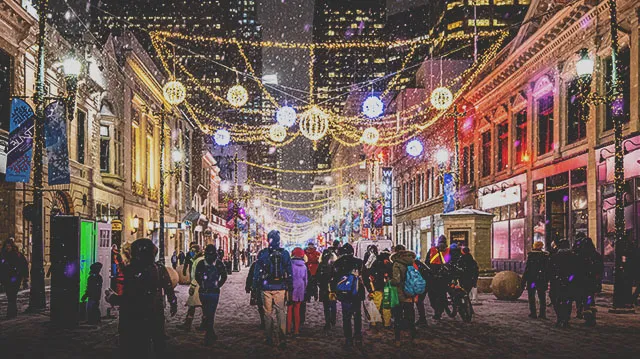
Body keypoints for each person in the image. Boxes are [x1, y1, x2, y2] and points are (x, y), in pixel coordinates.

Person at [105, 238, 177, 358]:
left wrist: (112, 298)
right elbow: (169, 288)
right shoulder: (159, 268)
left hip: (135, 317)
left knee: (137, 348)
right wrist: (173, 302)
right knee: (157, 343)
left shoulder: (132, 271)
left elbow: (130, 299)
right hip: (155, 314)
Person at [252, 230, 293, 348]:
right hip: (280, 287)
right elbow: (289, 271)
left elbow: (257, 272)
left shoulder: (263, 253)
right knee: (281, 312)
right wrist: (290, 286)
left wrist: (255, 286)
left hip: (266, 287)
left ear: (268, 240)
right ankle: (282, 338)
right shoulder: (285, 253)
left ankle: (269, 337)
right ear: (279, 241)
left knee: (267, 313)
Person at [331, 243, 364, 349]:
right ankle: (358, 336)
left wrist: (333, 291)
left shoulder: (338, 263)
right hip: (356, 292)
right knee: (357, 315)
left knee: (346, 316)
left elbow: (334, 278)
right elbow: (364, 277)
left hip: (344, 293)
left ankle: (348, 338)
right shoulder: (359, 262)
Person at [194, 244, 228, 345]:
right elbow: (224, 276)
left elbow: (197, 276)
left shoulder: (201, 263)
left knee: (206, 311)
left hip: (204, 292)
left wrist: (202, 284)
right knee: (211, 313)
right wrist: (218, 285)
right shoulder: (218, 263)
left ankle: (210, 332)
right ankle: (209, 333)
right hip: (214, 292)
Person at [390, 245, 418, 346]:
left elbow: (396, 280)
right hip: (410, 293)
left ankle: (398, 339)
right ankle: (413, 337)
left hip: (399, 294)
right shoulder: (412, 262)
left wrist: (389, 281)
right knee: (411, 316)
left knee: (398, 317)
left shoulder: (397, 263)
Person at [549, 239, 580, 328]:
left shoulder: (554, 257)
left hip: (557, 281)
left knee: (556, 300)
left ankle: (560, 318)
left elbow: (550, 270)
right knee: (567, 301)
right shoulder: (574, 256)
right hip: (569, 282)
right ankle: (566, 319)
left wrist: (552, 279)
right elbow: (576, 270)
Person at [574, 237, 603, 326]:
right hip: (592, 281)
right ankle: (591, 317)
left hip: (584, 281)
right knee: (590, 299)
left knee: (586, 299)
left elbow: (578, 269)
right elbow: (600, 269)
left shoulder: (581, 255)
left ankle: (589, 318)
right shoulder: (596, 255)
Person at [0, 238, 28, 319]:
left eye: (9, 246)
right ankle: (12, 312)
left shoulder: (17, 255)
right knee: (10, 295)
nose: (8, 247)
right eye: (6, 246)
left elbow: (24, 266)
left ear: (12, 246)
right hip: (6, 279)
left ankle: (11, 313)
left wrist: (25, 278)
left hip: (15, 278)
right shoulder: (2, 255)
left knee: (12, 295)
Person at [365, 248, 393, 329]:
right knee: (386, 306)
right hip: (386, 288)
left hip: (377, 288)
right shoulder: (387, 264)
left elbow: (371, 275)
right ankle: (387, 323)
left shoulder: (375, 263)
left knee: (376, 305)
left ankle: (373, 323)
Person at [179, 245, 205, 331]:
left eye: (193, 251)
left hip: (197, 286)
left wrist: (193, 285)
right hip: (202, 285)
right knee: (203, 306)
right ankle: (204, 324)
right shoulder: (199, 259)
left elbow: (197, 275)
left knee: (192, 305)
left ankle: (188, 324)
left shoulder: (198, 261)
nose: (191, 253)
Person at [522, 241, 550, 319]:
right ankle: (542, 313)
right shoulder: (545, 256)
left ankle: (533, 313)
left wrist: (523, 281)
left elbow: (527, 270)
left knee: (531, 296)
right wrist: (547, 279)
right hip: (541, 280)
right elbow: (547, 269)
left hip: (532, 280)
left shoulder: (531, 256)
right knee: (542, 296)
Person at [426, 235, 450, 320]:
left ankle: (438, 311)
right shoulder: (448, 251)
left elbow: (427, 262)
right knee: (440, 295)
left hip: (436, 276)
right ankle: (439, 309)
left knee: (435, 295)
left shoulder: (432, 250)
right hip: (439, 276)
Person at [287, 247, 308, 337]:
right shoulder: (304, 266)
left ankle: (287, 329)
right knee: (297, 310)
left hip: (291, 288)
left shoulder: (290, 265)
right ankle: (296, 330)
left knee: (289, 309)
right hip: (300, 288)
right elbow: (306, 280)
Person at [317, 245, 338, 332]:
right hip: (331, 289)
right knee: (332, 305)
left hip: (324, 289)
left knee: (326, 306)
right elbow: (336, 277)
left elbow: (318, 277)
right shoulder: (333, 265)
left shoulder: (321, 265)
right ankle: (332, 320)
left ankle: (328, 322)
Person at [302, 241, 320, 326]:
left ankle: (315, 296)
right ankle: (308, 297)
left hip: (315, 272)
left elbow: (317, 260)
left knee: (315, 285)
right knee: (308, 286)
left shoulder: (317, 253)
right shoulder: (305, 253)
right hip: (307, 272)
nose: (311, 247)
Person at [246, 260, 266, 329]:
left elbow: (251, 275)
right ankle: (267, 321)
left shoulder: (256, 263)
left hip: (258, 286)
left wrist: (248, 286)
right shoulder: (270, 261)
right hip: (267, 287)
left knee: (260, 304)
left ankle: (264, 321)